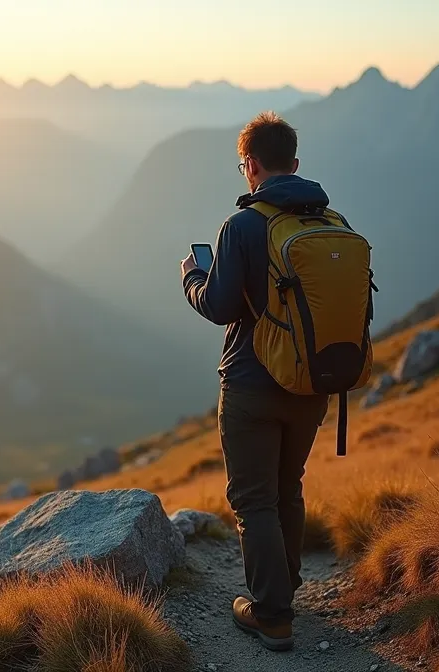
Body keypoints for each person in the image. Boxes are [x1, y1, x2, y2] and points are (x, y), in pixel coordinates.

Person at [179, 111, 336, 652]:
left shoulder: (242, 226)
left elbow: (221, 307)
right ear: (294, 165)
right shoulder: (329, 223)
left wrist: (193, 279)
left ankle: (272, 613)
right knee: (286, 486)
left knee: (252, 500)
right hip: (312, 384)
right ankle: (284, 585)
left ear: (249, 166)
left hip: (251, 384)